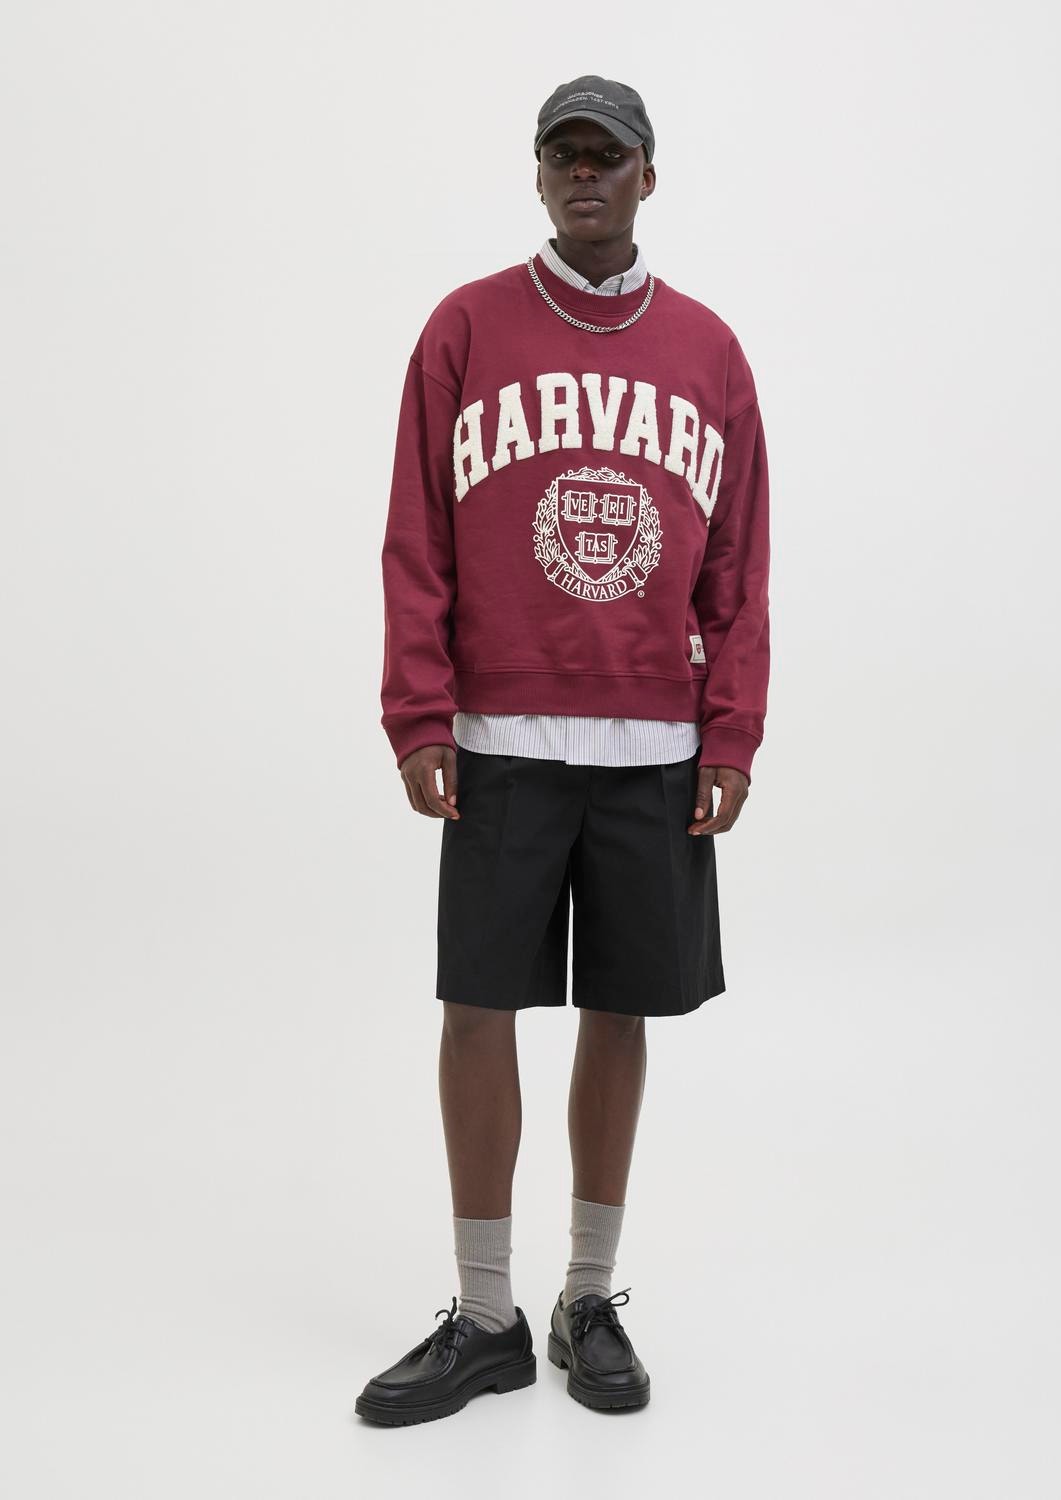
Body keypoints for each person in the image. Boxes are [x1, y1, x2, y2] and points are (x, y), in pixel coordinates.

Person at [355, 74, 771, 1425]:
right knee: (477, 1005)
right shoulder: (466, 327)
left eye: (609, 154)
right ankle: (486, 1313)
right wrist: (419, 710)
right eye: (562, 153)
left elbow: (739, 563)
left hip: (656, 740)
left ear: (650, 174)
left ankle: (588, 1297)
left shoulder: (708, 351)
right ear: (537, 173)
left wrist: (732, 726)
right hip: (499, 736)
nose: (584, 172)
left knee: (621, 1008)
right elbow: (416, 533)